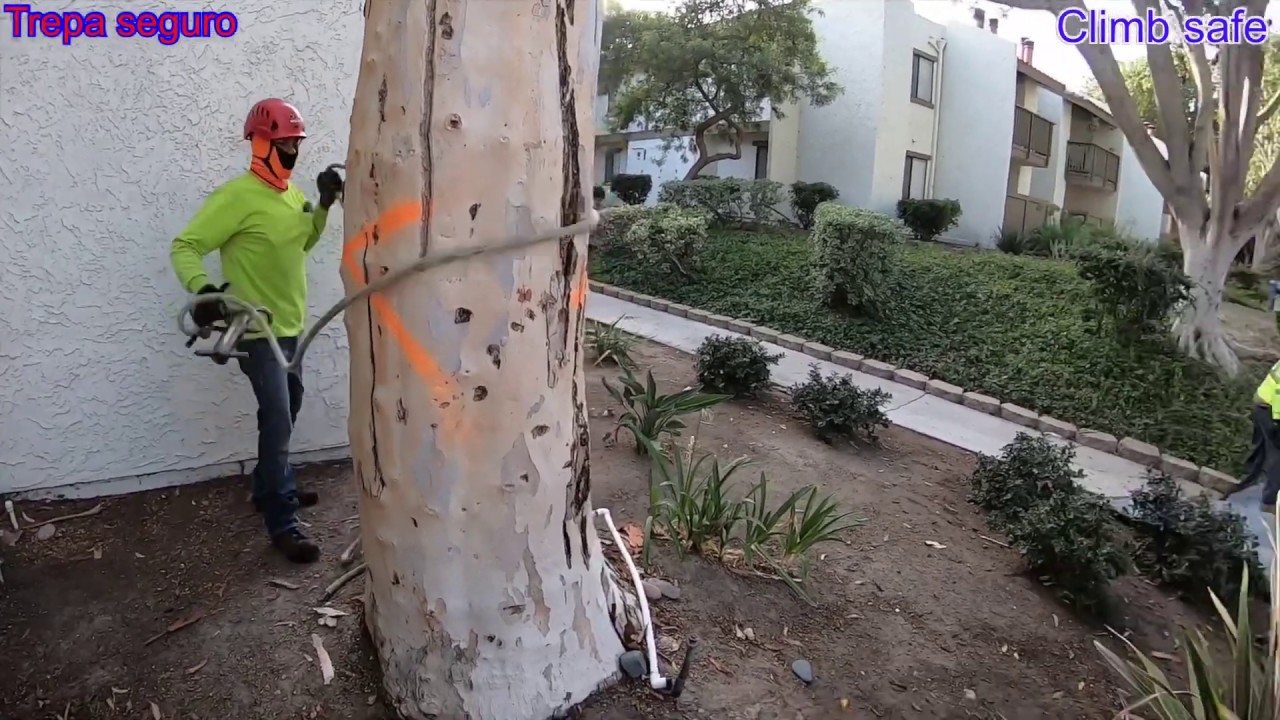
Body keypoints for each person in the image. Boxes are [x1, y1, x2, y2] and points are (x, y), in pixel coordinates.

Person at [170, 98, 344, 563]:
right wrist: (204, 291)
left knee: (290, 404)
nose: (292, 152)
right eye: (284, 143)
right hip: (255, 329)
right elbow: (186, 246)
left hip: (291, 326)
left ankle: (269, 484)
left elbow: (303, 242)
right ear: (260, 143)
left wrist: (323, 206)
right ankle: (282, 519)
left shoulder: (290, 196)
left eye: (295, 144)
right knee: (278, 416)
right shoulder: (237, 197)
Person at [1250, 359, 1280, 514]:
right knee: (1277, 456)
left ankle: (1248, 479)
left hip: (1265, 405)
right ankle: (1269, 502)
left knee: (1265, 452)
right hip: (1270, 410)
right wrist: (1277, 422)